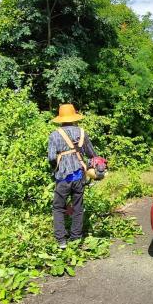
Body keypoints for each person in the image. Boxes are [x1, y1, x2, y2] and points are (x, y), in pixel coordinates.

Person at [48, 104, 97, 249]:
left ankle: (61, 240)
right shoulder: (82, 133)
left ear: (60, 118)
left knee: (58, 207)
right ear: (74, 117)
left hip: (63, 177)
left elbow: (51, 157)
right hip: (79, 176)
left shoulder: (55, 134)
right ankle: (76, 239)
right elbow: (91, 154)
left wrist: (55, 167)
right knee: (78, 207)